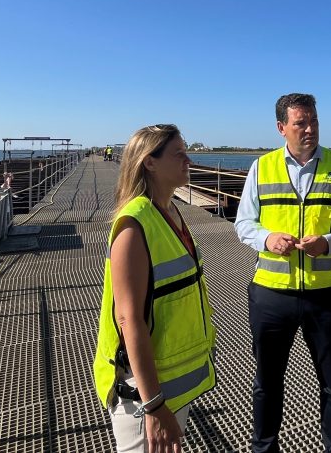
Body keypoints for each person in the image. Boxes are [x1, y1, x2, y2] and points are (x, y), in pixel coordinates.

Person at [234, 93, 331, 453]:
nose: (310, 129)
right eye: (301, 123)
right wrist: (267, 239)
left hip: (326, 295)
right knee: (267, 382)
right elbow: (243, 224)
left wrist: (329, 242)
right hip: (271, 293)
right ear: (281, 128)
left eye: (314, 121)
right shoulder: (261, 167)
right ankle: (264, 449)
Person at [93, 124, 217, 453]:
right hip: (143, 394)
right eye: (178, 154)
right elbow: (129, 320)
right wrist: (154, 405)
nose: (188, 160)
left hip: (171, 384)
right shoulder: (134, 226)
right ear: (150, 162)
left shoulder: (170, 211)